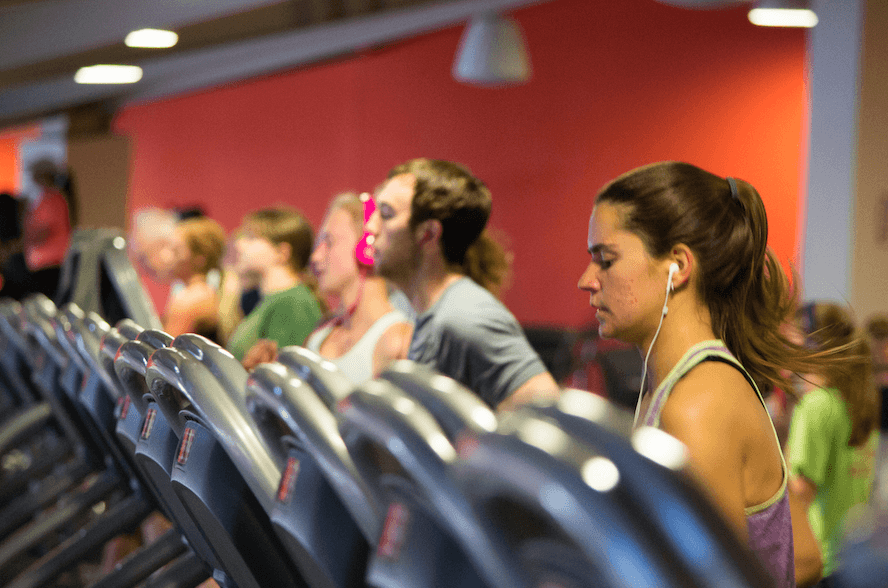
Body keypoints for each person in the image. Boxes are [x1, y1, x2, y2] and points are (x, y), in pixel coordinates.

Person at [576, 161, 853, 588]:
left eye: (605, 260)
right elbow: (805, 554)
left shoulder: (696, 404)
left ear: (677, 266)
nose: (586, 280)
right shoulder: (683, 387)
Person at [366, 158, 557, 409]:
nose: (371, 226)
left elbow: (549, 414)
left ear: (429, 234)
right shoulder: (430, 312)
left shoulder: (464, 317)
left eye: (387, 214)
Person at [787, 302, 880, 585]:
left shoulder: (816, 407)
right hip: (850, 559)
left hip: (817, 564)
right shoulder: (858, 401)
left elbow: (800, 494)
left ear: (812, 346)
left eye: (792, 341)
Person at [226, 206, 322, 363]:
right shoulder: (274, 300)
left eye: (251, 238)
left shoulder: (292, 303)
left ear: (281, 253)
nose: (239, 245)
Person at [162, 216, 226, 341]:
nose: (166, 257)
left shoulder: (190, 300)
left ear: (200, 258)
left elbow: (167, 351)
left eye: (176, 251)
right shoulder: (205, 292)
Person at [23, 158, 73, 298]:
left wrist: (26, 237)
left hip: (50, 265)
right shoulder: (44, 198)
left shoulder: (53, 199)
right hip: (41, 265)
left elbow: (43, 229)